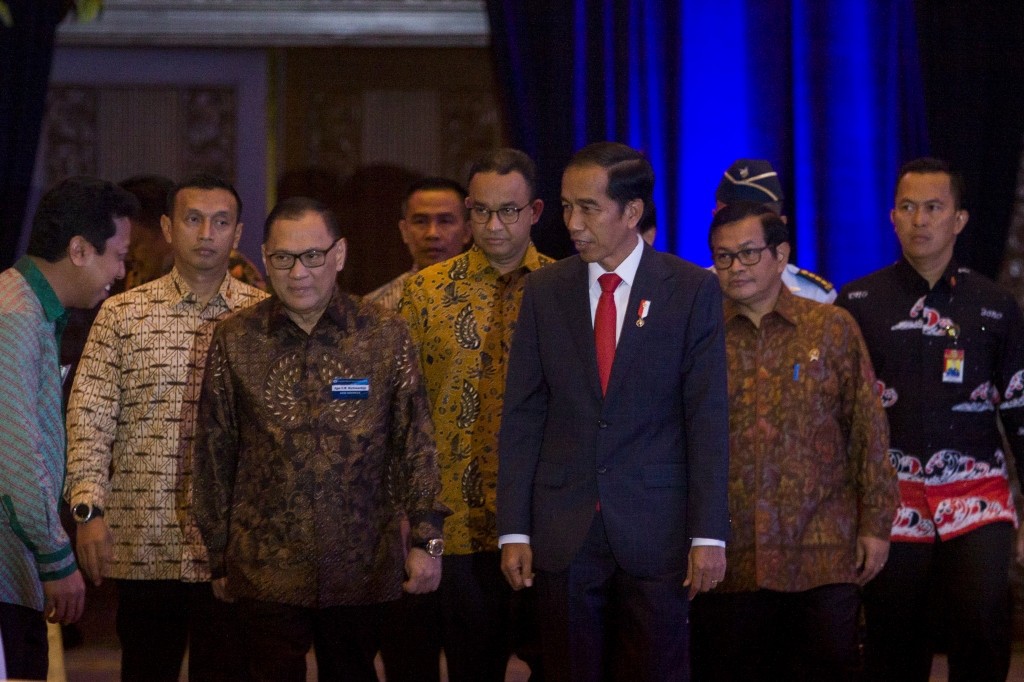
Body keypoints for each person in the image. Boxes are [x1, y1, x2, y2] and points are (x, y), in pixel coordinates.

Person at [498, 141, 731, 682]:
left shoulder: (692, 290)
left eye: (588, 208)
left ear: (632, 212)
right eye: (565, 207)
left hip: (658, 531)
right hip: (563, 530)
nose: (572, 222)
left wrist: (708, 534)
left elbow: (707, 419)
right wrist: (514, 529)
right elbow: (523, 416)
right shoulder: (544, 290)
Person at [192, 197, 447, 681]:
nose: (299, 272)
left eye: (313, 255)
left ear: (339, 254)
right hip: (264, 564)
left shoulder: (385, 335)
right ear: (265, 259)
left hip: (361, 564)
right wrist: (217, 553)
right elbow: (214, 450)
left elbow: (416, 443)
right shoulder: (235, 338)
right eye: (283, 258)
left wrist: (427, 540)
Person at [65, 174, 267, 681]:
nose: (206, 234)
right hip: (143, 542)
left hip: (233, 550)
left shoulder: (263, 318)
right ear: (167, 228)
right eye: (193, 219)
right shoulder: (122, 314)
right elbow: (89, 417)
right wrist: (88, 509)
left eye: (220, 222)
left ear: (237, 233)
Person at [690, 201, 898, 681]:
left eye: (747, 253)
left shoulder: (831, 326)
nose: (734, 267)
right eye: (722, 257)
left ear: (781, 255)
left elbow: (868, 429)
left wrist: (877, 524)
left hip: (822, 553)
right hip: (727, 557)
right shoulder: (699, 336)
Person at [838, 157, 1024, 682]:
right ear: (892, 217)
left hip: (978, 498)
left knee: (983, 625)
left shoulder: (995, 305)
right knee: (894, 638)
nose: (919, 220)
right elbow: (837, 416)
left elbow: (1018, 409)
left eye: (933, 208)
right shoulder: (855, 302)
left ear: (959, 220)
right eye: (908, 207)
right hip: (889, 505)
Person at [385, 149, 552, 681]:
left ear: (536, 212)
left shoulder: (568, 287)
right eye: (481, 211)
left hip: (543, 520)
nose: (494, 225)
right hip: (448, 522)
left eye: (509, 211)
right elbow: (401, 410)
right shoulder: (427, 291)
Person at [0, 176, 135, 679]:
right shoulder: (14, 316)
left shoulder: (29, 309)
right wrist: (58, 557)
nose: (121, 273)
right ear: (79, 249)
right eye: (117, 256)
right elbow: (15, 455)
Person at [714, 158, 836, 303]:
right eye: (730, 221)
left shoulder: (815, 297)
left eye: (756, 224)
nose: (737, 267)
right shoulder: (691, 291)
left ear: (780, 226)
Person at [365, 177, 472, 311]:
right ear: (404, 231)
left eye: (445, 221)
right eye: (421, 222)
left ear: (468, 231)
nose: (432, 234)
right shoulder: (374, 309)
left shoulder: (491, 302)